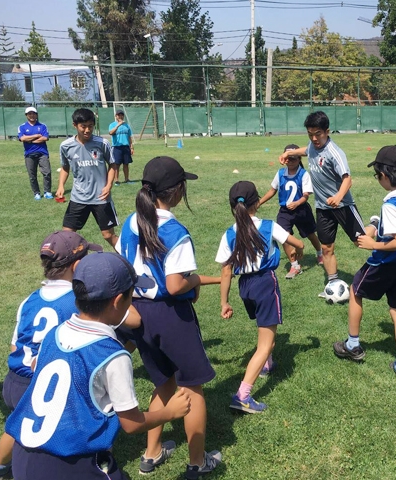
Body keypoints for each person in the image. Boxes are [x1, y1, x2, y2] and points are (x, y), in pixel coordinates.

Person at [5, 252, 191, 480]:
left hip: (22, 457)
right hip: (69, 465)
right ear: (117, 301)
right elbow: (131, 423)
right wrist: (170, 412)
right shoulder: (112, 354)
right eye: (131, 295)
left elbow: (37, 366)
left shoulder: (53, 334)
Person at [117, 156, 222, 478]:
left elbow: (122, 267)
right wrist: (195, 281)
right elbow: (176, 285)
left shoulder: (130, 222)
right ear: (177, 192)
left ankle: (151, 454)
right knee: (192, 388)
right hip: (170, 316)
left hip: (138, 312)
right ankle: (197, 461)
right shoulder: (175, 230)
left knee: (163, 383)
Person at [0, 231, 104, 480]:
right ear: (78, 265)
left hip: (15, 377)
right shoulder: (76, 303)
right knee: (48, 434)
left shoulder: (30, 300)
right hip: (44, 382)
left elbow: (15, 345)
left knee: (16, 428)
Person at [332, 146, 396, 380]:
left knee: (355, 291)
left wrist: (375, 245)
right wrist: (376, 225)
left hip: (385, 263)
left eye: (377, 175)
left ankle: (352, 345)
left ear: (385, 176)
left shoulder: (391, 204)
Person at [217, 181, 304, 412]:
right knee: (266, 342)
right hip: (265, 283)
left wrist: (224, 302)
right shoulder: (268, 226)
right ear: (257, 203)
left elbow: (226, 271)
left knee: (264, 327)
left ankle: (267, 364)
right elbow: (297, 242)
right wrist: (299, 250)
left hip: (245, 287)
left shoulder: (228, 234)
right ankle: (243, 395)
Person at [278, 111, 365, 295]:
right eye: (310, 134)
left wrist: (338, 197)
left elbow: (348, 179)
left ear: (327, 131)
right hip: (323, 208)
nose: (314, 138)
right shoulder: (312, 145)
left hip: (343, 205)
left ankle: (374, 224)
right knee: (326, 247)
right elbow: (305, 150)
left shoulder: (335, 153)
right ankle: (332, 284)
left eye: (318, 134)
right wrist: (289, 152)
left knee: (361, 242)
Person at [56, 108, 119, 247]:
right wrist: (61, 186)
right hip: (79, 197)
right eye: (83, 126)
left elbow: (113, 165)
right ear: (75, 125)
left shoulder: (102, 143)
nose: (87, 130)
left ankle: (130, 259)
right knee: (67, 235)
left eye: (90, 126)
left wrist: (108, 186)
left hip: (101, 198)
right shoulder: (66, 146)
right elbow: (65, 167)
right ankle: (71, 265)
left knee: (108, 235)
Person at [258, 144, 323, 279]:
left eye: (293, 158)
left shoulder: (303, 174)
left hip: (301, 210)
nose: (290, 161)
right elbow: (272, 191)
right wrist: (258, 203)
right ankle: (295, 265)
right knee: (283, 237)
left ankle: (320, 253)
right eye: (287, 158)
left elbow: (306, 195)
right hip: (285, 212)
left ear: (299, 159)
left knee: (310, 234)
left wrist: (297, 203)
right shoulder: (280, 173)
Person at [18, 106, 52, 200]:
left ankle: (47, 192)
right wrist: (36, 136)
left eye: (33, 113)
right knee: (32, 176)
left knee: (47, 172)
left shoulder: (42, 126)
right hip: (29, 154)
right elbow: (22, 138)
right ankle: (36, 193)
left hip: (42, 153)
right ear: (26, 115)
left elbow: (45, 138)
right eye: (29, 114)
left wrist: (29, 140)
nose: (32, 115)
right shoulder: (22, 127)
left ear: (36, 115)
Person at [108, 110, 134, 185]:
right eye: (118, 115)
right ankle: (116, 180)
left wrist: (131, 147)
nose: (120, 116)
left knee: (126, 164)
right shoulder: (112, 125)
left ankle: (127, 179)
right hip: (117, 147)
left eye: (121, 115)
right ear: (115, 116)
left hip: (125, 147)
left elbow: (129, 137)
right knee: (116, 164)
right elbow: (110, 133)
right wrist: (118, 125)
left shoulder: (127, 125)